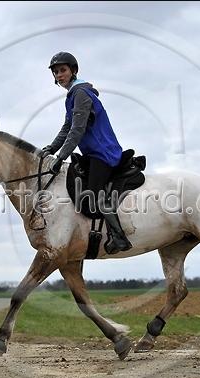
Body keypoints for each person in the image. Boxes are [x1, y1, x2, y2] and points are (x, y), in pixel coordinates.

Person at [42, 51, 132, 254]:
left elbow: (77, 130)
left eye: (63, 70)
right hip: (92, 154)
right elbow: (67, 128)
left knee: (94, 194)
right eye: (56, 72)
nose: (59, 75)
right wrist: (52, 148)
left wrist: (62, 156)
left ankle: (119, 238)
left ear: (73, 71)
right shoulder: (72, 96)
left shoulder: (81, 94)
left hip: (103, 153)